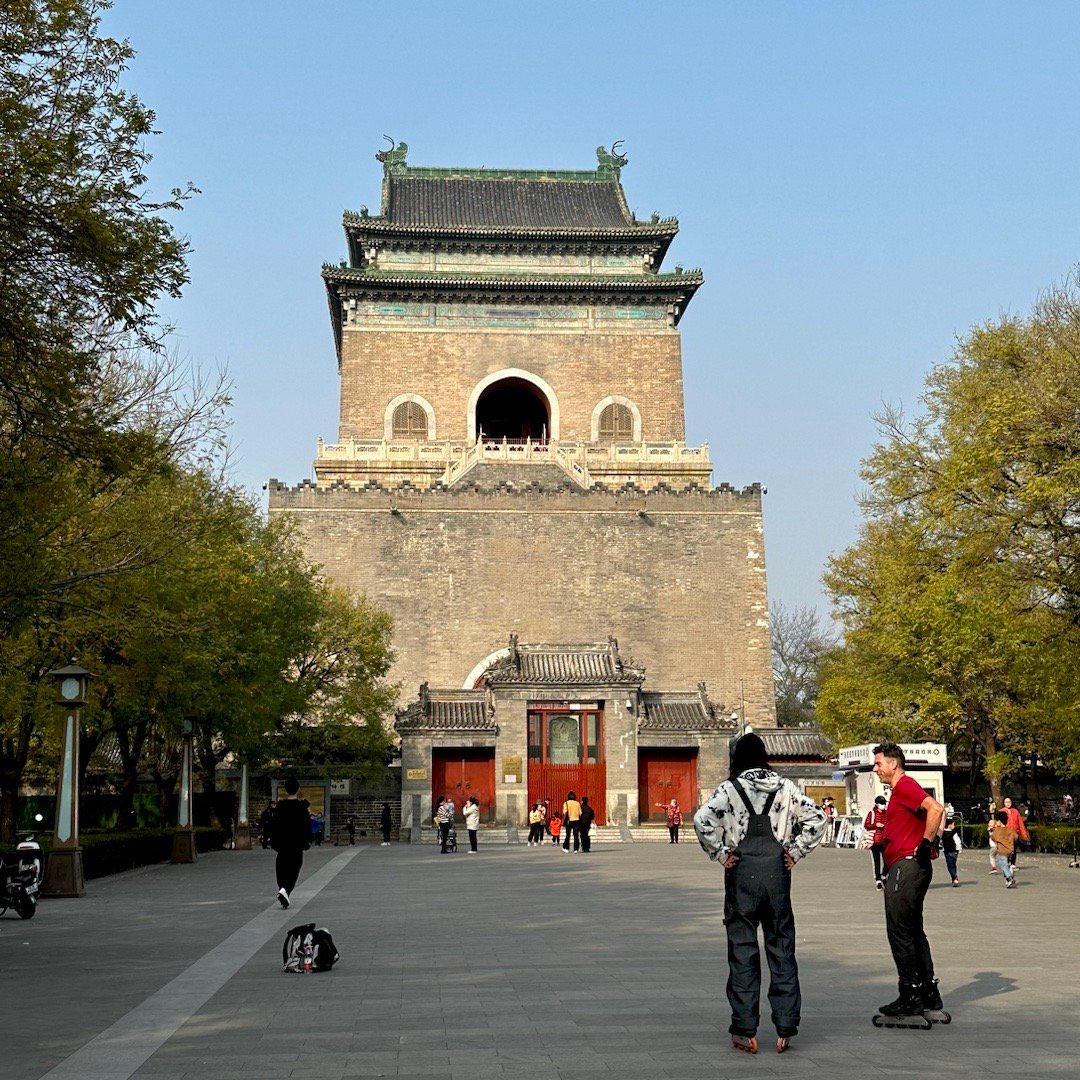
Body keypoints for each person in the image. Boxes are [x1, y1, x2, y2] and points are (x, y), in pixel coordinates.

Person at [693, 732, 827, 1055]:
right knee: (781, 947)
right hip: (777, 874)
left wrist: (721, 854)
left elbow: (701, 820)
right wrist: (795, 851)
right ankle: (785, 1028)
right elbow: (818, 819)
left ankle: (745, 1030)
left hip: (742, 875)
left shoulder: (730, 789)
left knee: (742, 950)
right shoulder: (785, 787)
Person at [871, 743, 947, 1023]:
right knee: (914, 931)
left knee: (900, 931)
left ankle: (910, 995)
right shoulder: (901, 790)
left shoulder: (904, 785)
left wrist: (926, 843)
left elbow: (936, 809)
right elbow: (937, 813)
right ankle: (928, 993)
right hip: (909, 866)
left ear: (893, 764)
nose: (875, 769)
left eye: (879, 763)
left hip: (906, 866)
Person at [271, 779, 311, 909]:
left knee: (281, 869)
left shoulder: (280, 807)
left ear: (286, 789)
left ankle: (283, 889)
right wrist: (307, 842)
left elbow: (274, 826)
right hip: (296, 844)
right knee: (294, 869)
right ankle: (285, 890)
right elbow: (306, 826)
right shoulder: (302, 808)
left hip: (282, 844)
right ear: (298, 789)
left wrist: (273, 842)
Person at [864, 795, 888, 889]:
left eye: (884, 803)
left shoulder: (887, 813)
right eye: (881, 803)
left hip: (885, 840)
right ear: (877, 804)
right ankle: (878, 880)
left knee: (888, 861)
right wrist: (875, 825)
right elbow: (866, 825)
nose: (883, 805)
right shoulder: (872, 813)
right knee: (876, 861)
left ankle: (884, 875)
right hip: (874, 840)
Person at [989, 810, 1018, 888]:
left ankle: (1009, 878)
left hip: (1002, 850)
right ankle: (1008, 878)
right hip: (1010, 850)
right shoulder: (1010, 830)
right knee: (1006, 864)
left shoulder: (997, 831)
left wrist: (991, 830)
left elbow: (993, 838)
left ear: (999, 821)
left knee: (1003, 865)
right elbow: (1015, 837)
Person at [1000, 798, 1029, 869]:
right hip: (1005, 833)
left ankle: (1013, 863)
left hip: (1014, 833)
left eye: (1009, 802)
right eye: (1006, 802)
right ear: (1004, 803)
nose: (1008, 803)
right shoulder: (1001, 811)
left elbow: (1020, 823)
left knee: (1014, 848)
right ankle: (1006, 862)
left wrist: (1024, 833)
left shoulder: (1015, 811)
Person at [941, 815, 962, 887]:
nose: (954, 826)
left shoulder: (945, 833)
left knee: (951, 865)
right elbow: (957, 841)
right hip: (951, 851)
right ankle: (954, 878)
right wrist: (959, 848)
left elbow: (957, 841)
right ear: (949, 825)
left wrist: (959, 848)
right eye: (953, 824)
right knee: (952, 865)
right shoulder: (947, 833)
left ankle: (954, 877)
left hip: (951, 851)